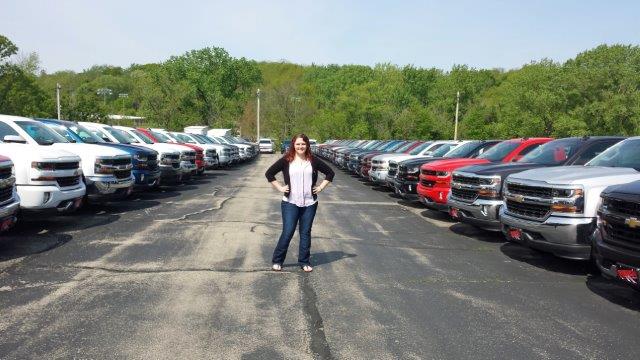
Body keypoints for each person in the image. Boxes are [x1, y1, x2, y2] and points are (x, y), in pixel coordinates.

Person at [264, 134, 335, 272]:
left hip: (310, 203)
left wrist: (320, 187)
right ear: (293, 145)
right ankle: (277, 260)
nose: (300, 147)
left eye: (303, 144)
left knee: (305, 232)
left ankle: (304, 261)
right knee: (288, 231)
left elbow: (330, 173)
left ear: (307, 145)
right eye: (298, 144)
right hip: (290, 202)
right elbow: (269, 173)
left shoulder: (313, 160)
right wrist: (280, 187)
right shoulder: (287, 160)